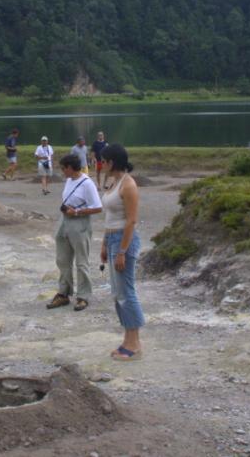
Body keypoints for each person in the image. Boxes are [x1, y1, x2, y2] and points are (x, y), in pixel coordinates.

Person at [98, 144, 145, 361]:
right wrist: (105, 244)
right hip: (113, 239)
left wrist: (121, 251)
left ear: (112, 162)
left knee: (127, 292)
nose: (101, 163)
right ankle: (128, 338)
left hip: (125, 242)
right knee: (118, 294)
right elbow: (110, 218)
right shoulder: (112, 182)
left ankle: (134, 343)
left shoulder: (128, 185)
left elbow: (131, 220)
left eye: (103, 160)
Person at [47, 154, 103, 312]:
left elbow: (98, 207)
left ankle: (83, 296)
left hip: (79, 223)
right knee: (62, 260)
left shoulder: (87, 184)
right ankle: (63, 294)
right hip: (64, 221)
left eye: (63, 168)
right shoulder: (69, 180)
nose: (62, 171)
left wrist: (77, 212)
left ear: (70, 167)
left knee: (81, 261)